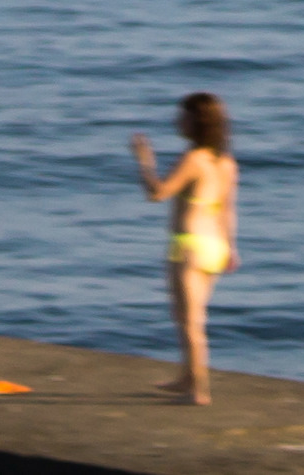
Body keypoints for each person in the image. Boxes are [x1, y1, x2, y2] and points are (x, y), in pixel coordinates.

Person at [132, 92, 239, 405]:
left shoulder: (193, 159)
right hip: (215, 246)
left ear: (197, 122)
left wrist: (144, 162)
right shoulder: (226, 163)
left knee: (189, 321)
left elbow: (158, 193)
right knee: (188, 316)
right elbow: (227, 209)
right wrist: (231, 248)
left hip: (189, 246)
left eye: (182, 116)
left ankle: (199, 391)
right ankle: (187, 378)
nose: (176, 121)